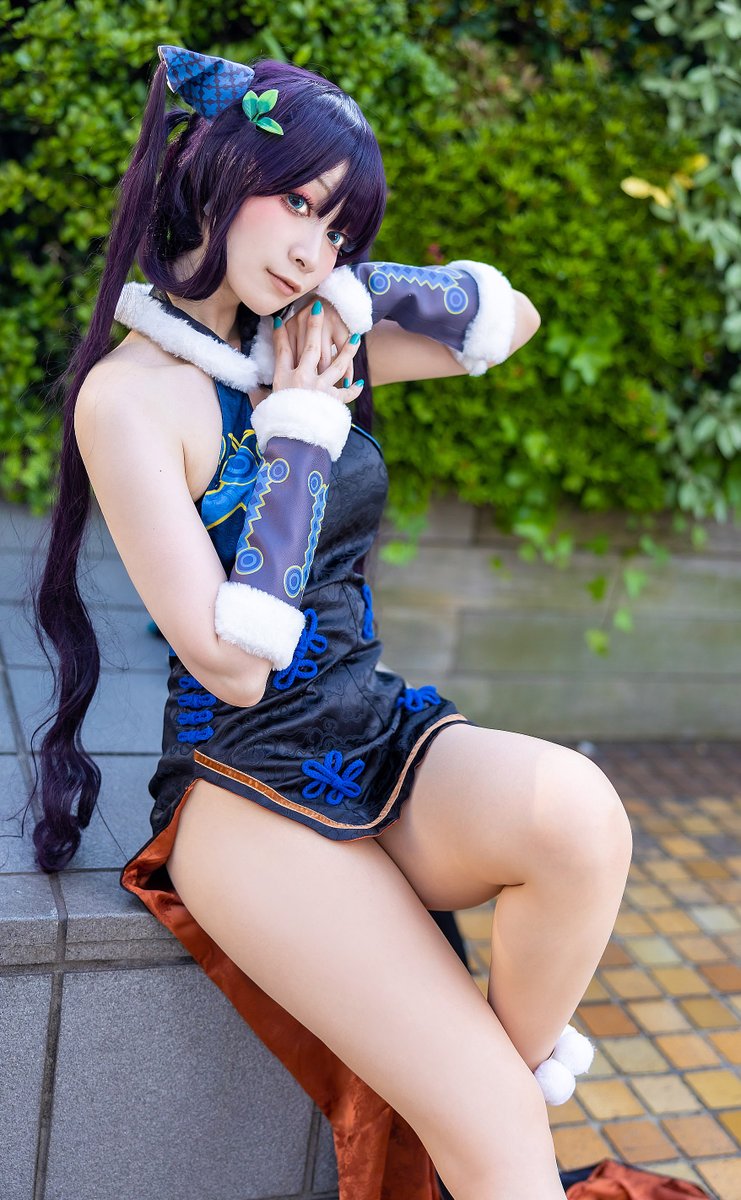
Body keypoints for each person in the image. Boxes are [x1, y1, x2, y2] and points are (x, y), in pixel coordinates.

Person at [27, 45, 633, 1200]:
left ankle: (478, 1095)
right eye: (298, 203)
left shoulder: (305, 327)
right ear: (217, 171)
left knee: (583, 821)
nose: (313, 247)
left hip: (370, 727)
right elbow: (231, 664)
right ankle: (485, 1111)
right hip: (240, 785)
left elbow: (510, 319)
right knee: (502, 1131)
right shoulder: (130, 397)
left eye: (340, 226)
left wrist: (359, 296)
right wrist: (300, 431)